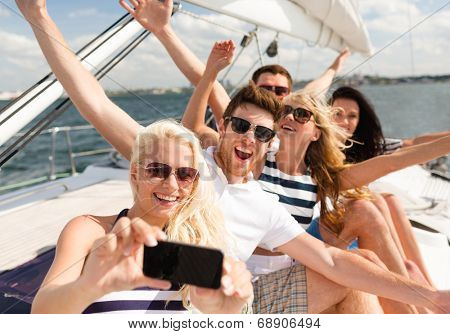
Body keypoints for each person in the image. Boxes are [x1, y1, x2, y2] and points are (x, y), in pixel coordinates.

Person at [19, 0, 450, 314]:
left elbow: (331, 259)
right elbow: (97, 104)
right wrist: (39, 17)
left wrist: (428, 296)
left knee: (351, 270)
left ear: (270, 142)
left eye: (263, 132)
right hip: (191, 288)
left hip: (228, 296)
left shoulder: (263, 202)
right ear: (223, 126)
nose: (249, 136)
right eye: (240, 125)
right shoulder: (189, 165)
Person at [31, 118, 253, 314]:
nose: (171, 185)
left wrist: (225, 315)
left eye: (185, 174)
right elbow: (41, 314)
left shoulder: (198, 242)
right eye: (157, 170)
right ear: (135, 174)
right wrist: (89, 287)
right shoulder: (91, 231)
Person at [330, 86, 450, 287]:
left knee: (390, 199)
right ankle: (412, 280)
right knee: (376, 199)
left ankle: (419, 277)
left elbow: (411, 144)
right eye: (337, 114)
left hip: (357, 204)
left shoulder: (366, 146)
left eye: (352, 116)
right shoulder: (316, 143)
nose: (345, 121)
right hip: (335, 209)